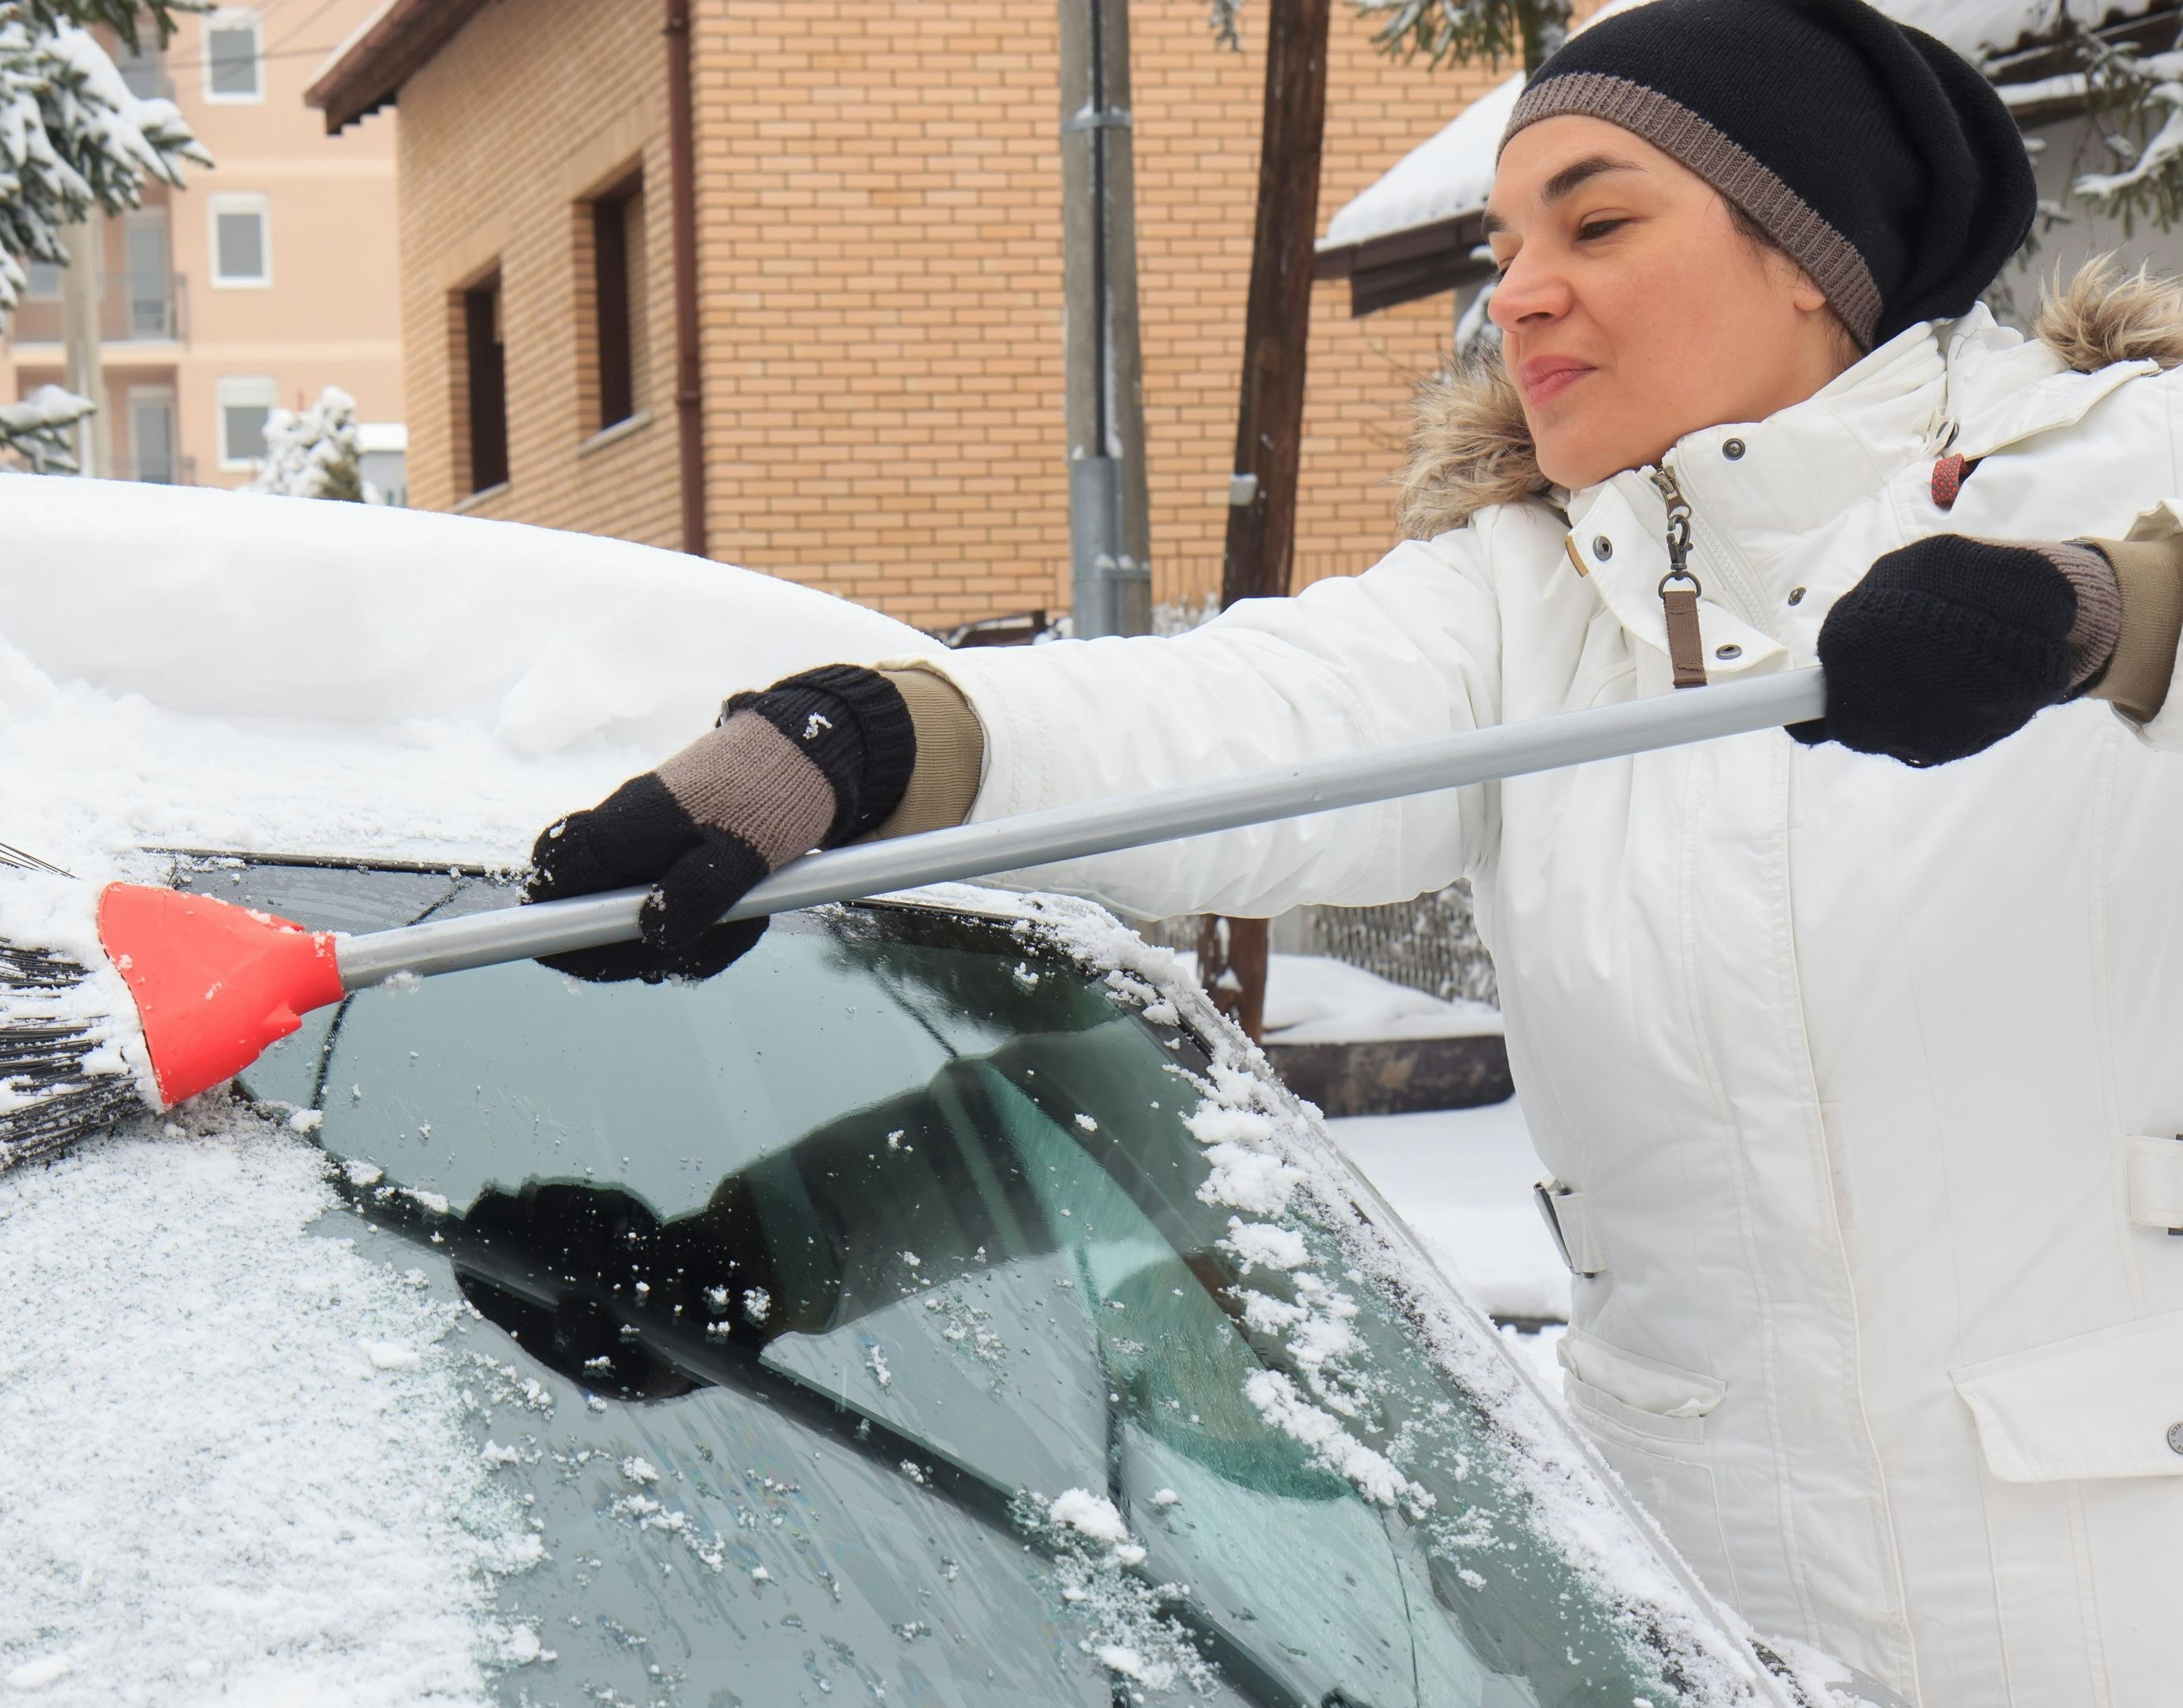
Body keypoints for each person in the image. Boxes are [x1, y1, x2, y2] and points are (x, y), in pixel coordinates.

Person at [521, 1, 2183, 1702]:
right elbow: (1234, 721)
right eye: (1506, 243)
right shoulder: (1538, 600)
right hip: (1700, 1615)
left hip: (2119, 1590)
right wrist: (867, 747)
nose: (1519, 291)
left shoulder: (2123, 466)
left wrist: (2105, 612)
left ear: (1813, 262)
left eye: (1598, 224)